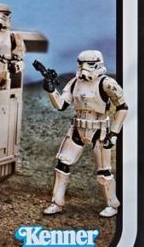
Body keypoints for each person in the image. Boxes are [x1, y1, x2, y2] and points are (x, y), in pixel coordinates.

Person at [39, 50, 127, 217]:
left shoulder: (107, 83)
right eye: (81, 64)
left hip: (100, 130)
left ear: (98, 64)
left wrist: (114, 133)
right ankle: (56, 203)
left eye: (89, 64)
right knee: (62, 165)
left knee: (104, 171)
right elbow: (61, 105)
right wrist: (51, 90)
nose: (84, 68)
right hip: (78, 128)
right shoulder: (74, 82)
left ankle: (112, 204)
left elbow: (122, 107)